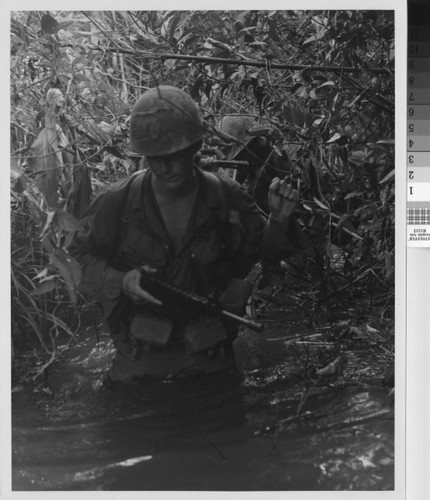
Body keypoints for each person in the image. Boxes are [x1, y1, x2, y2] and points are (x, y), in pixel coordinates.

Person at [69, 85, 301, 383]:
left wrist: (279, 221)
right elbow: (72, 258)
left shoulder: (224, 196)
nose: (165, 166)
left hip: (209, 359)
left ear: (193, 148)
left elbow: (259, 260)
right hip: (140, 363)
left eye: (174, 154)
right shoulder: (118, 202)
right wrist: (121, 281)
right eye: (155, 157)